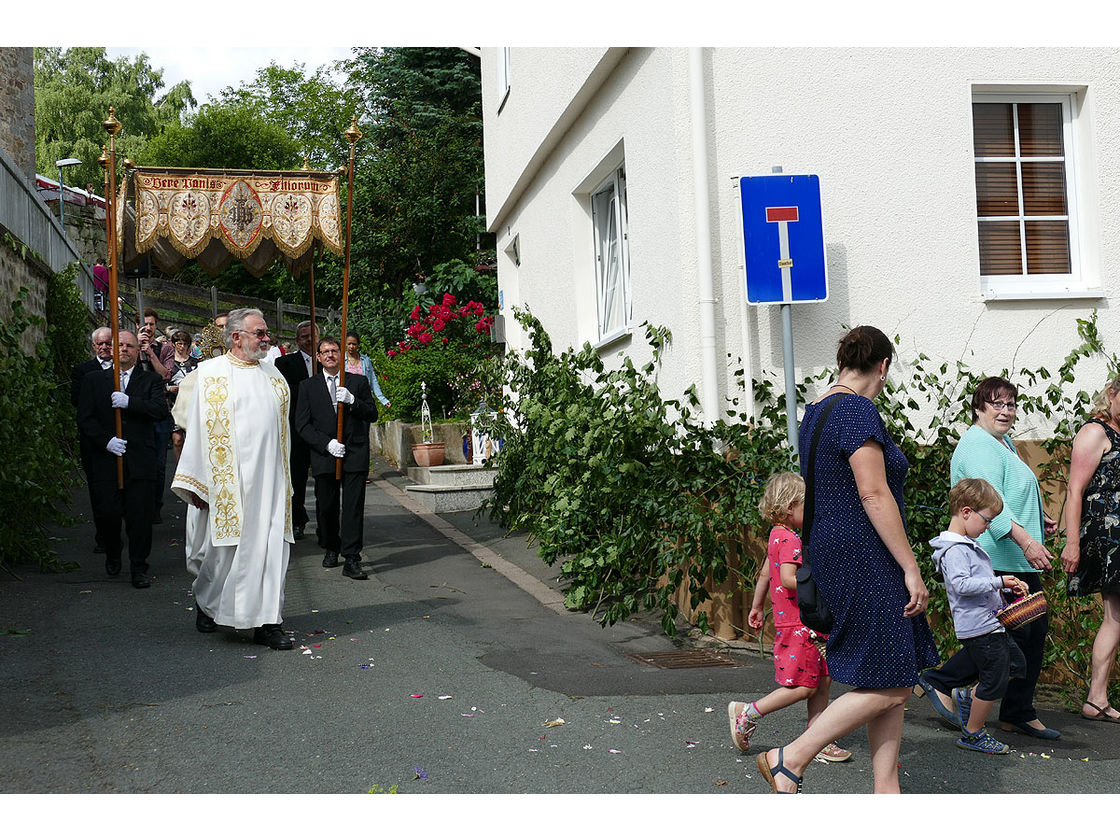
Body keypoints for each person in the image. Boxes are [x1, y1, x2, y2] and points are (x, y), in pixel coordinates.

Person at [756, 325, 939, 794]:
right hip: (866, 554)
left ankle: (885, 790)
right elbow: (873, 493)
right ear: (881, 366)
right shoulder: (858, 410)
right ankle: (790, 756)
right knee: (896, 681)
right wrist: (910, 567)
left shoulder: (816, 412)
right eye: (886, 374)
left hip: (834, 552)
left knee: (889, 669)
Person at [918, 377, 1061, 740]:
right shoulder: (979, 444)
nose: (1006, 411)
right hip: (999, 555)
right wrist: (1027, 540)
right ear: (979, 407)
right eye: (997, 403)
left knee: (1026, 631)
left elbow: (1005, 496)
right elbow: (986, 503)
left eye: (1011, 404)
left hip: (1012, 553)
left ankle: (1015, 711)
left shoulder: (1000, 441)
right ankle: (943, 682)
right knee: (1008, 632)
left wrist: (1035, 516)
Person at [171, 308, 295, 651]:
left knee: (272, 552)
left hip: (269, 485)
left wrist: (286, 484)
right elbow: (194, 429)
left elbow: (282, 436)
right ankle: (208, 602)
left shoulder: (276, 378)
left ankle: (270, 622)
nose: (266, 339)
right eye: (260, 333)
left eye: (266, 333)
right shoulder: (209, 375)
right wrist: (197, 483)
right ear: (236, 337)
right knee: (221, 555)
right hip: (228, 484)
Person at [733, 472, 851, 763]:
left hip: (798, 622)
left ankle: (818, 736)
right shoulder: (790, 540)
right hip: (799, 624)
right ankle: (749, 713)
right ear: (789, 507)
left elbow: (765, 573)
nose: (809, 513)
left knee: (822, 680)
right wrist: (822, 579)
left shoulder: (776, 536)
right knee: (804, 686)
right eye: (805, 507)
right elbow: (787, 579)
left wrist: (757, 605)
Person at [930, 478, 1029, 755]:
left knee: (1015, 665)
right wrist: (1000, 582)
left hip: (990, 622)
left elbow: (978, 585)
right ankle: (973, 733)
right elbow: (961, 585)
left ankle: (968, 698)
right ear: (966, 512)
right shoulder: (957, 550)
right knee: (995, 680)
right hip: (979, 627)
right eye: (986, 520)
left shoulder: (967, 544)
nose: (987, 528)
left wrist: (1004, 593)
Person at [77, 330, 169, 588]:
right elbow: (85, 418)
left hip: (140, 459)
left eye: (130, 346)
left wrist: (131, 403)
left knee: (140, 516)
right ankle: (113, 552)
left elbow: (160, 410)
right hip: (107, 459)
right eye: (120, 346)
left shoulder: (149, 380)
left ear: (136, 350)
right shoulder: (94, 380)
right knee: (107, 512)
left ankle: (139, 567)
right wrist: (105, 440)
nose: (125, 350)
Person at [1061, 374, 1120, 723]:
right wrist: (1072, 542)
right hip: (1106, 536)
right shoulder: (1095, 432)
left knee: (1116, 618)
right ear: (1112, 394)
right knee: (1115, 616)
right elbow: (1074, 490)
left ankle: (1098, 696)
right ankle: (1096, 697)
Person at [296, 336, 380, 580]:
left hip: (354, 451)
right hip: (325, 454)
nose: (330, 355)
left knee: (353, 508)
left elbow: (372, 414)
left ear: (341, 355)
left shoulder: (358, 382)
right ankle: (332, 547)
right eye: (325, 351)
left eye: (334, 350)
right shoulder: (308, 386)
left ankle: (352, 557)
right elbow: (302, 424)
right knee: (327, 506)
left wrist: (353, 401)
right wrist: (326, 443)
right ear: (319, 357)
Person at [71, 327, 115, 554]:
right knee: (98, 489)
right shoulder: (83, 371)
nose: (105, 347)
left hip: (121, 438)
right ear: (93, 346)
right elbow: (78, 401)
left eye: (109, 343)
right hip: (94, 440)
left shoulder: (124, 368)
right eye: (101, 344)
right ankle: (103, 536)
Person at [275, 320, 319, 540]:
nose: (309, 340)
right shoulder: (284, 363)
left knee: (325, 481)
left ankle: (326, 523)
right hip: (297, 430)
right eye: (304, 336)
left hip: (324, 432)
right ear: (297, 340)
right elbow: (284, 391)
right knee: (297, 479)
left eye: (312, 335)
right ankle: (297, 519)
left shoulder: (329, 360)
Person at [166, 330, 197, 453]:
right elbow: (161, 380)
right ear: (173, 344)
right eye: (179, 343)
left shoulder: (196, 362)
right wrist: (168, 388)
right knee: (177, 440)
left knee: (192, 439)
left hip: (192, 404)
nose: (182, 346)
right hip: (174, 404)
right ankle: (179, 469)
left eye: (184, 344)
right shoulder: (169, 363)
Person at [345, 331, 391, 408]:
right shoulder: (341, 360)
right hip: (347, 399)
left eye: (354, 344)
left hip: (363, 399)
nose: (351, 346)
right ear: (345, 344)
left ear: (358, 345)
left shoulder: (365, 360)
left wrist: (383, 399)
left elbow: (373, 380)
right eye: (349, 344)